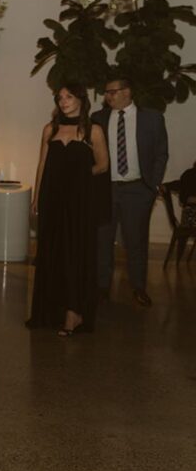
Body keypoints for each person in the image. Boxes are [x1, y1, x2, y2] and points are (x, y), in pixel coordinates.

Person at [27, 84, 109, 336]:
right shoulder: (49, 129)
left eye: (69, 97)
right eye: (60, 97)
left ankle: (74, 314)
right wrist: (36, 196)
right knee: (52, 252)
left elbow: (103, 165)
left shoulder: (92, 130)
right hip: (52, 199)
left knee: (75, 253)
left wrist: (81, 178)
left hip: (78, 202)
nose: (63, 101)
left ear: (81, 99)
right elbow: (42, 164)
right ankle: (49, 311)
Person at [92, 76, 169, 308]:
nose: (107, 97)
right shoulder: (98, 119)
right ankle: (102, 288)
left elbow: (161, 153)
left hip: (138, 189)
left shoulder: (152, 118)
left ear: (127, 92)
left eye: (112, 92)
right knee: (102, 240)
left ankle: (138, 287)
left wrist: (152, 185)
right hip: (106, 189)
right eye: (106, 93)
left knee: (136, 241)